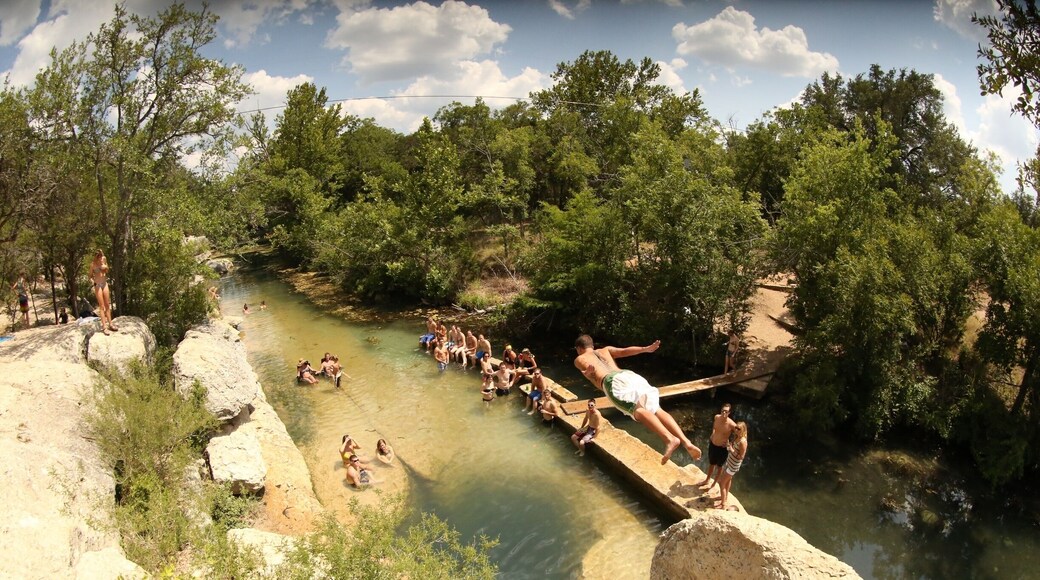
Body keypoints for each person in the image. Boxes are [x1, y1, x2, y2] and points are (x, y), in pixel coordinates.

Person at [574, 334, 702, 465]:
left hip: (612, 382)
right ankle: (687, 443)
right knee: (656, 409)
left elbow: (586, 370)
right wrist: (645, 349)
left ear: (579, 348)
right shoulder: (604, 350)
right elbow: (625, 351)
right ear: (592, 345)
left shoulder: (580, 358)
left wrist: (588, 373)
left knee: (637, 410)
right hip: (629, 375)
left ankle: (669, 439)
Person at [698, 403, 737, 491]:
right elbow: (715, 427)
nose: (724, 413)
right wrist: (713, 433)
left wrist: (730, 443)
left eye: (726, 411)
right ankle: (707, 480)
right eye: (723, 410)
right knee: (711, 464)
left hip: (722, 448)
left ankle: (714, 483)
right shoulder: (716, 417)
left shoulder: (731, 424)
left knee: (719, 467)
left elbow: (740, 433)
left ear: (729, 413)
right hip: (713, 445)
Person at [714, 422, 748, 511]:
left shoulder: (743, 442)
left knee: (721, 483)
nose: (736, 430)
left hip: (733, 466)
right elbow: (732, 449)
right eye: (736, 428)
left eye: (739, 429)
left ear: (743, 430)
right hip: (729, 462)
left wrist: (732, 450)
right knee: (728, 480)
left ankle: (723, 504)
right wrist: (728, 446)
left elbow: (741, 457)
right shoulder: (736, 437)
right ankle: (725, 497)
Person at [90, 251, 117, 334]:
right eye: (99, 257)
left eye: (101, 256)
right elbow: (90, 276)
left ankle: (111, 324)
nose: (101, 258)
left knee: (107, 305)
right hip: (98, 285)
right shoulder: (93, 264)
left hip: (105, 284)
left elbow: (107, 271)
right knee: (101, 306)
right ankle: (104, 327)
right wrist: (93, 282)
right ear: (96, 257)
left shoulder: (104, 260)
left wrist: (104, 267)